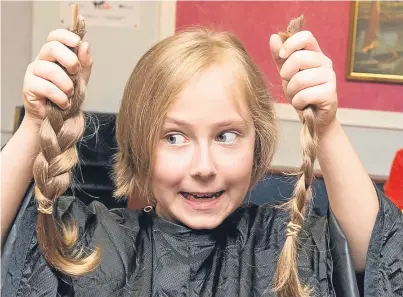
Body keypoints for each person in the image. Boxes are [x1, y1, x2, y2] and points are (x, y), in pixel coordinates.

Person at [1, 12, 402, 297]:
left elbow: (385, 257)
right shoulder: (92, 247)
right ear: (139, 145)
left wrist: (327, 127)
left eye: (226, 136)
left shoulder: (286, 248)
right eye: (174, 138)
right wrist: (37, 123)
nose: (204, 168)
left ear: (257, 144)